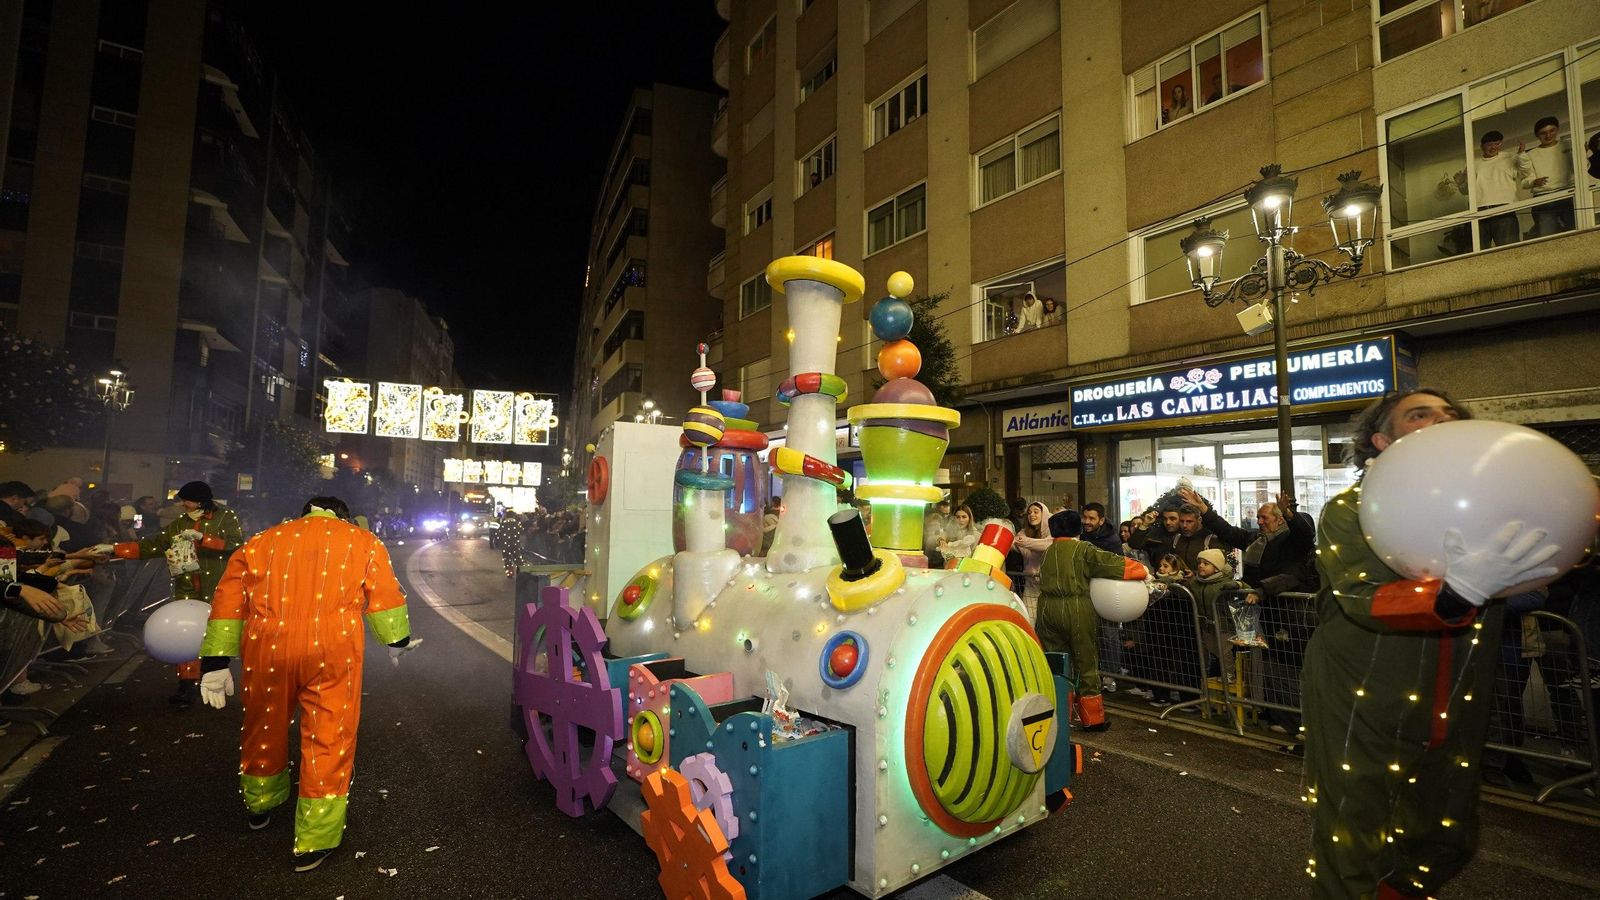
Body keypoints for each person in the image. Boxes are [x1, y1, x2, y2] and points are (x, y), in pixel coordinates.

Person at [1303, 388, 1563, 897]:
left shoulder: (1491, 509)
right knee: (1353, 833)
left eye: (1451, 415)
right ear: (1383, 440)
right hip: (1362, 691)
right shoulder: (1350, 509)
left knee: (1448, 835)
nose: (1441, 421)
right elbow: (1361, 595)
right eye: (1419, 415)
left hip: (1457, 693)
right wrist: (1454, 592)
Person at [197, 495, 420, 872]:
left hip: (268, 644)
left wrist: (215, 662)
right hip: (333, 649)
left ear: (302, 514)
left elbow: (229, 600)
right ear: (343, 516)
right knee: (329, 735)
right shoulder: (361, 541)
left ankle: (261, 803)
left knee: (263, 724)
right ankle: (314, 840)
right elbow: (383, 596)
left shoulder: (262, 541)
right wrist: (396, 642)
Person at [113, 481, 243, 708]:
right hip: (187, 588)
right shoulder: (180, 524)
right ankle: (187, 685)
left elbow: (237, 544)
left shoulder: (226, 517)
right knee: (185, 638)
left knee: (217, 635)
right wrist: (114, 549)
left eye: (187, 500)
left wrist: (204, 539)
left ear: (201, 500)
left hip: (217, 587)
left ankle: (215, 676)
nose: (183, 504)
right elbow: (153, 545)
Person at [1035, 509, 1149, 731]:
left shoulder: (1049, 552)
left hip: (1047, 608)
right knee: (1085, 661)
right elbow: (1113, 564)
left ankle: (1059, 715)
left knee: (1056, 662)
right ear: (1076, 528)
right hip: (1076, 607)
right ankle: (1092, 718)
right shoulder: (1082, 549)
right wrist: (1142, 570)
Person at [1444, 130, 1531, 248]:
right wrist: (1459, 183)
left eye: (1497, 144)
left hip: (1504, 209)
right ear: (1482, 146)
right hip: (1479, 211)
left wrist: (1522, 154)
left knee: (1510, 250)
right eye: (1489, 145)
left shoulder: (1510, 157)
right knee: (1479, 252)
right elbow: (1466, 191)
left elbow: (1526, 171)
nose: (1493, 147)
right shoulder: (1473, 163)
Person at [1524, 116, 1574, 237]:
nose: (1548, 135)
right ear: (1537, 135)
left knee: (1576, 231)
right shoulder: (1531, 154)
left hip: (1568, 193)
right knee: (1548, 236)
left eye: (1552, 131)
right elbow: (1525, 181)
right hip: (1543, 197)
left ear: (1557, 129)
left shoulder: (1568, 145)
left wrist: (1583, 154)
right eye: (1543, 133)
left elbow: (1583, 168)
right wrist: (1534, 182)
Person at [1013, 500, 1054, 619]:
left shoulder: (1051, 530)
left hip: (1048, 585)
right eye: (1029, 512)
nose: (1032, 515)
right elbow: (1016, 543)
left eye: (1036, 512)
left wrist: (1025, 543)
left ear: (1044, 514)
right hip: (1031, 583)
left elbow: (1049, 544)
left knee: (1047, 620)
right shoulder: (1024, 531)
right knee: (1028, 618)